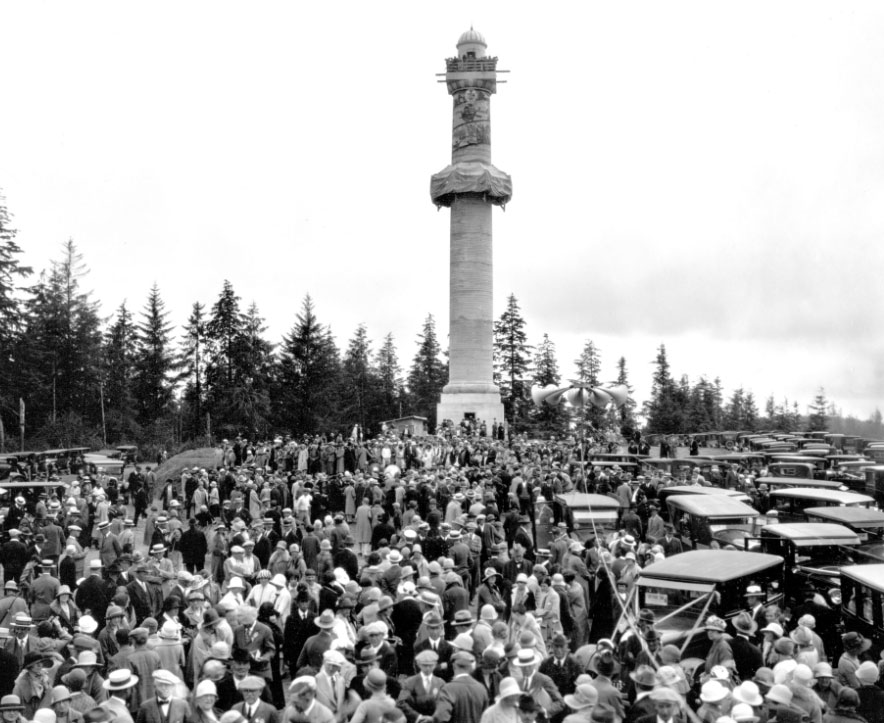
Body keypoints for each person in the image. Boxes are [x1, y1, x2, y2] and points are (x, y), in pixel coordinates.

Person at [433, 651, 488, 723]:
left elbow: (441, 717)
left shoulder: (448, 689)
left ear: (454, 666)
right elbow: (486, 717)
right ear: (471, 668)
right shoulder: (481, 688)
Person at [398, 649, 445, 723]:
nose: (428, 668)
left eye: (431, 665)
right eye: (424, 665)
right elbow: (401, 702)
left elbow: (444, 703)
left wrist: (433, 718)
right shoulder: (409, 682)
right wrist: (417, 717)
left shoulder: (441, 683)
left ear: (435, 664)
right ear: (418, 664)